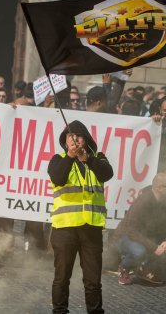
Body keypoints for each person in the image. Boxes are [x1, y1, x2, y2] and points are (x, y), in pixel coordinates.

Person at [48, 120, 113, 314]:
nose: (73, 139)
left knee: (93, 281)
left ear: (86, 140)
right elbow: (57, 178)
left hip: (91, 228)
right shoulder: (58, 158)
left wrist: (88, 160)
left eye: (78, 136)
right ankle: (59, 312)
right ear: (64, 140)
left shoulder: (98, 158)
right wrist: (70, 156)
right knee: (62, 277)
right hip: (65, 228)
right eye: (69, 136)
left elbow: (106, 174)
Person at [112, 173, 166, 285]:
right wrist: (154, 247)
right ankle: (124, 267)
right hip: (124, 237)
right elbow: (130, 230)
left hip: (146, 236)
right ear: (159, 188)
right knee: (139, 252)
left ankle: (144, 268)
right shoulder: (143, 201)